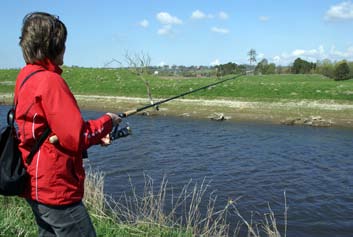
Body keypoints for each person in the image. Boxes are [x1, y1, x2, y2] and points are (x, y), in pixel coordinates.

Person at [14, 12, 121, 236]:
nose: (65, 48)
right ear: (53, 46)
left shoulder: (26, 76)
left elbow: (50, 131)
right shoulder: (51, 82)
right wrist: (108, 122)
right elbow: (76, 138)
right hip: (56, 189)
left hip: (34, 183)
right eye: (63, 43)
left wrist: (92, 135)